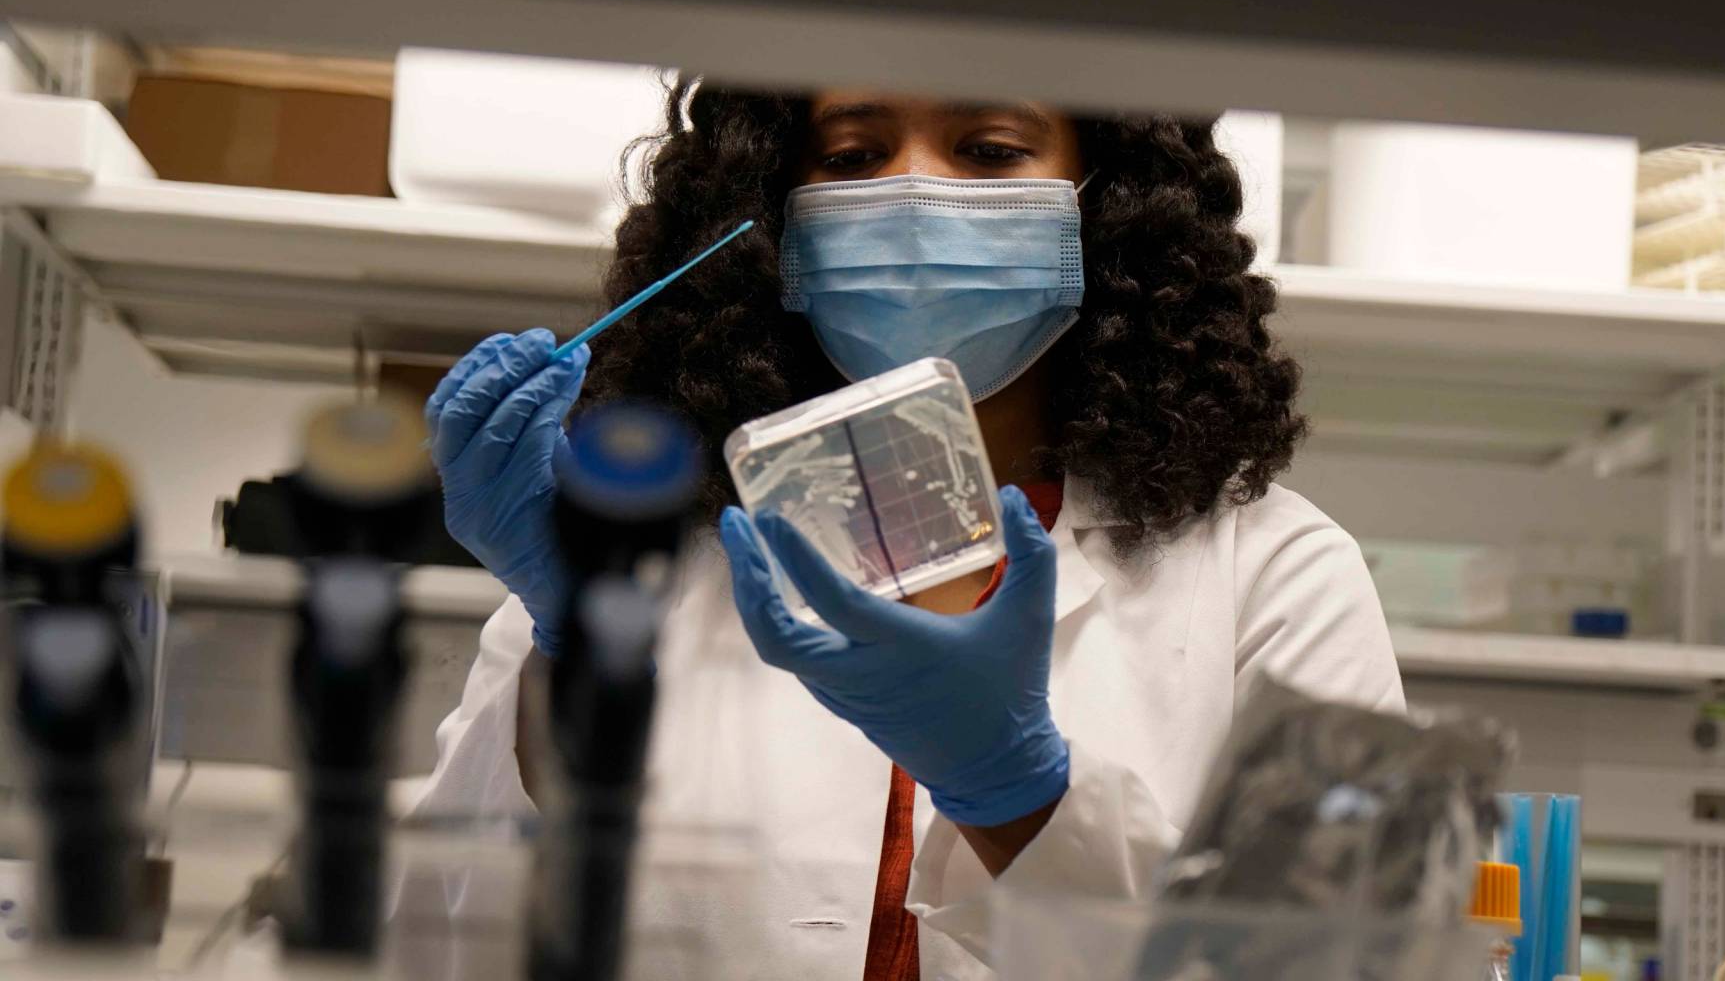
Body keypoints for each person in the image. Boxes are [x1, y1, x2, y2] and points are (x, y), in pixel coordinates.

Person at [403, 81, 1402, 980]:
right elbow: (444, 934)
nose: (912, 193)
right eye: (849, 158)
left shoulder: (1277, 573)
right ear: (774, 226)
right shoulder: (636, 562)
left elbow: (1353, 963)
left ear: (1107, 208)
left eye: (991, 150)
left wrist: (1024, 798)